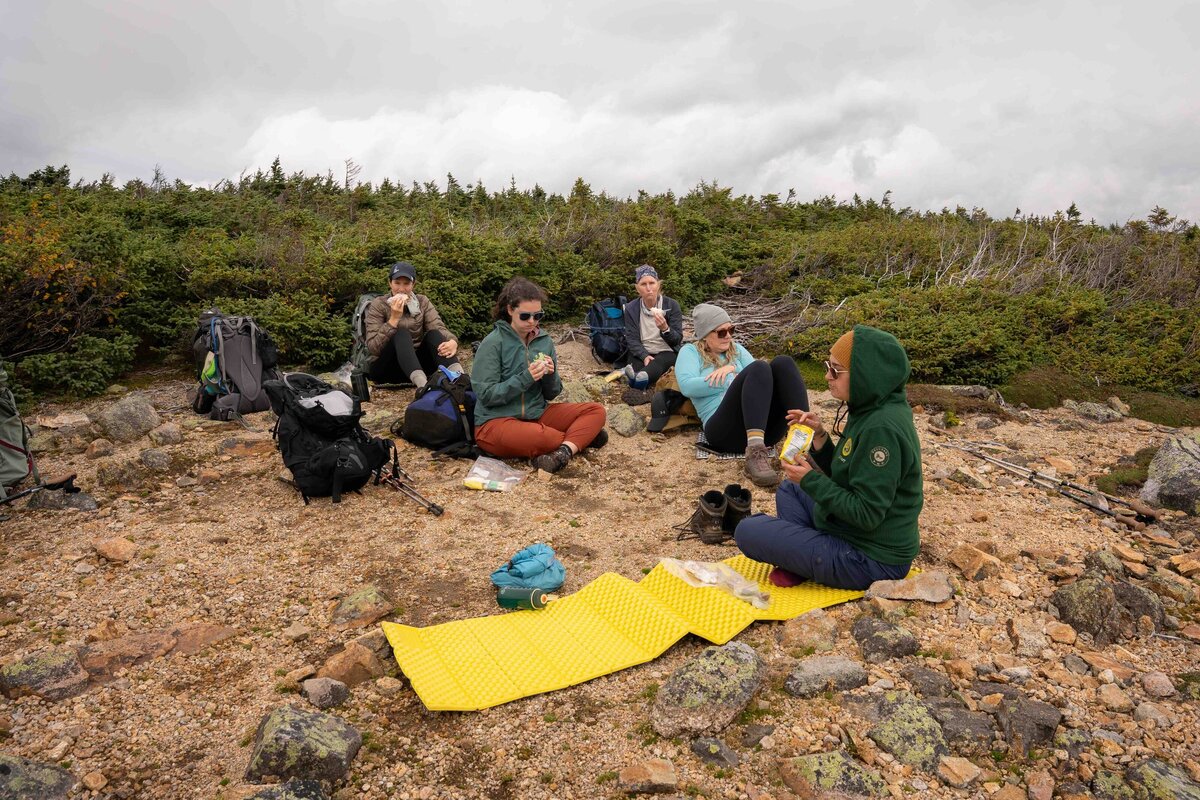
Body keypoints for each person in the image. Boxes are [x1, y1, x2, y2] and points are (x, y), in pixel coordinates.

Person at [734, 325, 923, 591]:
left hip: (871, 558)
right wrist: (820, 436)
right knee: (789, 489)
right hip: (854, 533)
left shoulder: (881, 429)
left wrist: (811, 480)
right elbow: (848, 474)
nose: (827, 376)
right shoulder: (870, 408)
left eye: (835, 370)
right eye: (828, 366)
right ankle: (801, 558)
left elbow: (866, 513)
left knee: (747, 530)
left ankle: (802, 557)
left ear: (865, 375)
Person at [472, 276, 607, 473]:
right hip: (495, 421)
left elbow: (552, 393)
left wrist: (550, 375)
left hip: (536, 413)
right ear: (510, 310)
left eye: (538, 316)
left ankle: (564, 451)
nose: (532, 322)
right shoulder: (493, 343)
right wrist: (526, 377)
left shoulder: (544, 341)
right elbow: (486, 394)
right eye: (525, 316)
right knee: (546, 437)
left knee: (596, 411)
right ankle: (579, 438)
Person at [675, 303, 810, 487]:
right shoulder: (690, 352)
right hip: (723, 432)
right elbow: (687, 386)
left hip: (765, 432)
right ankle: (755, 454)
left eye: (731, 330)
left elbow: (759, 380)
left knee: (782, 363)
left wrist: (732, 368)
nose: (728, 336)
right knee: (759, 366)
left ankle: (805, 443)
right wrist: (729, 379)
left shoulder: (736, 349)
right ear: (705, 334)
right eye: (721, 332)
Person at [363, 261, 460, 388]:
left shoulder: (422, 301)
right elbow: (373, 348)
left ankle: (461, 380)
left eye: (406, 283)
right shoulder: (379, 304)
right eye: (397, 283)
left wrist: (453, 341)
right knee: (401, 333)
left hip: (418, 367)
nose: (401, 289)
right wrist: (393, 319)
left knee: (434, 334)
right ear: (390, 283)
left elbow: (437, 327)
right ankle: (424, 388)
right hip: (387, 369)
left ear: (413, 284)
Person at [621, 264, 684, 389]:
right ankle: (640, 379)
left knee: (659, 362)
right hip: (643, 350)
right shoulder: (631, 308)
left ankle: (637, 381)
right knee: (637, 363)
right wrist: (644, 355)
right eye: (643, 284)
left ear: (658, 285)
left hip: (667, 351)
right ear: (637, 288)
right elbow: (632, 338)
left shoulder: (672, 305)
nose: (648, 288)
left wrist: (665, 329)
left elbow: (677, 339)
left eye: (652, 283)